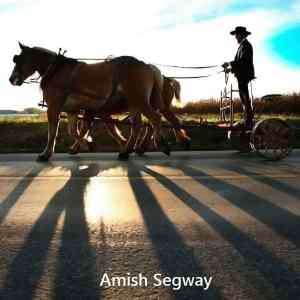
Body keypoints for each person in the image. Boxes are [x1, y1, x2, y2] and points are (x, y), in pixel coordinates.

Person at [223, 26, 255, 129]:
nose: (235, 37)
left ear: (241, 35)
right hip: (242, 75)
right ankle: (247, 120)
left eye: (236, 35)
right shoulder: (242, 46)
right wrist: (230, 69)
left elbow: (243, 62)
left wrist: (229, 64)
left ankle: (248, 122)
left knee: (245, 99)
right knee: (244, 99)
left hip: (244, 75)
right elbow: (239, 64)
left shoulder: (246, 46)